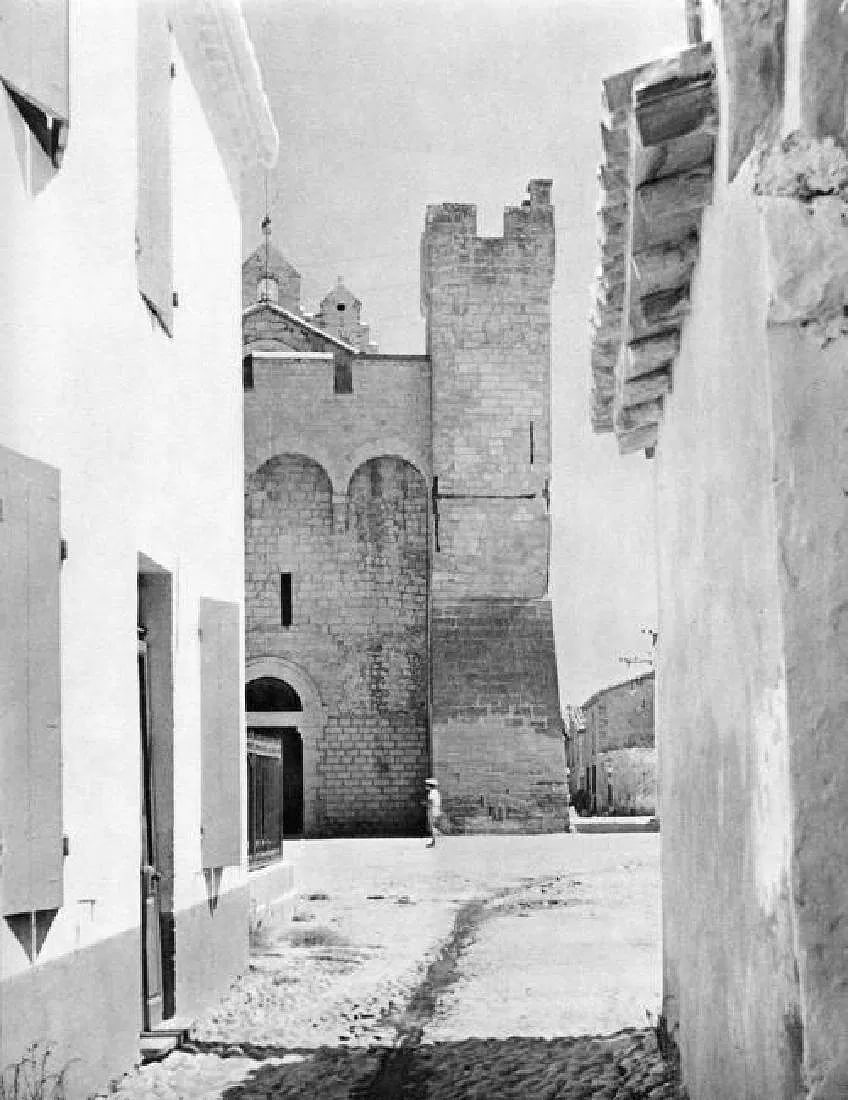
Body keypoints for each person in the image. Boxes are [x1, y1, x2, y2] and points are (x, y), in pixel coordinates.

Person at [424, 777, 441, 848]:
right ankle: (433, 842)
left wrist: (425, 803)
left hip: (432, 811)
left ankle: (434, 842)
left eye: (427, 785)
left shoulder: (432, 793)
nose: (426, 786)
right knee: (434, 826)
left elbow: (430, 802)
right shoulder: (436, 792)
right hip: (436, 810)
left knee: (433, 827)